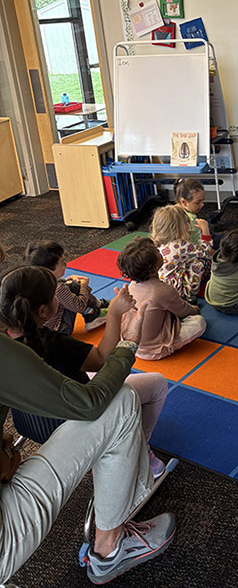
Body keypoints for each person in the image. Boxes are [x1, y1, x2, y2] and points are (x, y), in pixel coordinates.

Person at [0, 244, 175, 586]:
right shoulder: (27, 348)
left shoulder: (28, 339)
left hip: (29, 427)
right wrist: (128, 342)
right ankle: (109, 548)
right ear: (45, 309)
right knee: (121, 400)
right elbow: (90, 401)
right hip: (6, 530)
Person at [2, 264, 168, 478]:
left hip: (29, 425)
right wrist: (116, 314)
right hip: (72, 427)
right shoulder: (53, 343)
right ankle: (140, 447)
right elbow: (101, 359)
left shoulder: (7, 345)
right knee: (157, 384)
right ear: (43, 310)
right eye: (56, 294)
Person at [117, 237, 206, 360]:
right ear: (153, 267)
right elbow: (185, 312)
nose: (160, 251)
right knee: (199, 322)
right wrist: (195, 310)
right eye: (158, 252)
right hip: (154, 350)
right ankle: (169, 347)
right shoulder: (163, 291)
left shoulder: (132, 285)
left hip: (131, 345)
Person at [24, 240, 108, 334]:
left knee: (70, 285)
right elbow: (79, 306)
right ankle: (93, 315)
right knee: (73, 287)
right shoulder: (57, 288)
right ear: (49, 270)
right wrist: (84, 285)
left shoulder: (36, 282)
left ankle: (98, 305)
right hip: (60, 330)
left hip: (44, 330)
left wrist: (68, 280)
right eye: (63, 263)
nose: (66, 264)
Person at [151, 204, 212, 302]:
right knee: (201, 261)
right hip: (177, 289)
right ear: (181, 226)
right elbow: (206, 252)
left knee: (190, 258)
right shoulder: (182, 245)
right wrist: (205, 232)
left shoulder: (156, 243)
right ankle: (188, 291)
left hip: (158, 285)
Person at [173, 178, 208, 246]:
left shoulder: (174, 209)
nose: (202, 205)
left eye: (202, 201)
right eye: (198, 202)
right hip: (198, 249)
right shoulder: (189, 220)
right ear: (183, 202)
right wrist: (205, 230)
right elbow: (199, 248)